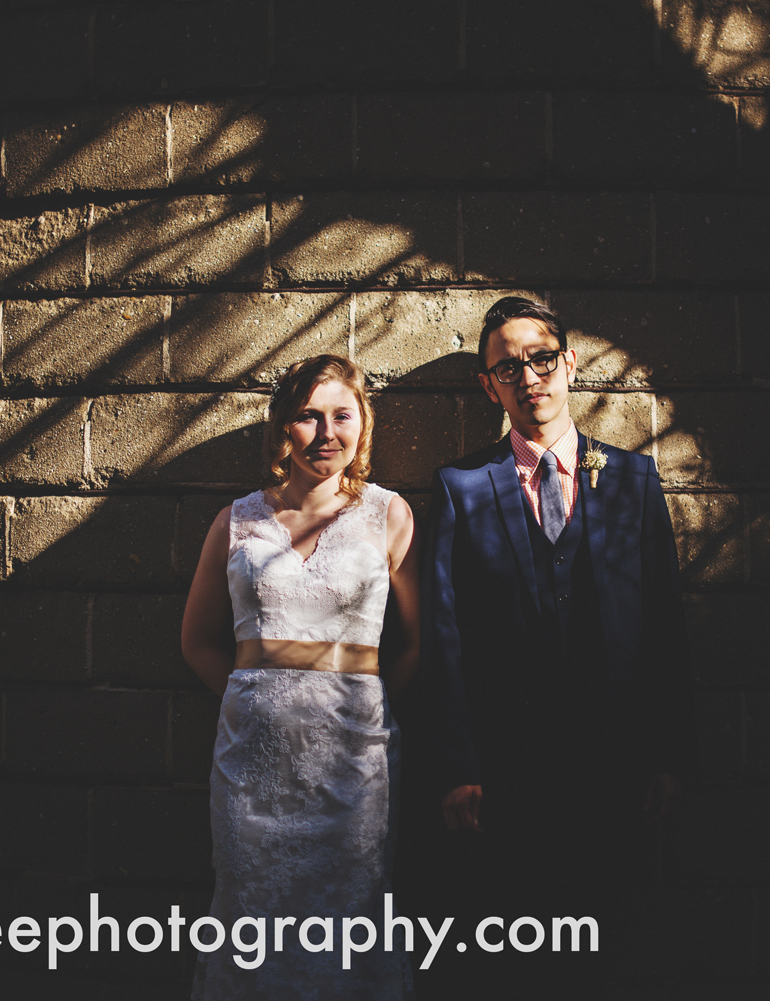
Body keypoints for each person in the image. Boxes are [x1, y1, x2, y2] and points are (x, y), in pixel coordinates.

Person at [413, 296, 690, 995]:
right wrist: (456, 763)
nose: (528, 376)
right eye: (508, 367)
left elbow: (664, 623)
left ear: (568, 362)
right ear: (489, 385)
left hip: (616, 759)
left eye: (540, 358)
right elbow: (442, 634)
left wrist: (666, 751)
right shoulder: (460, 486)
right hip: (508, 769)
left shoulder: (633, 478)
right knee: (518, 949)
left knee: (615, 941)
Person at [181, 355, 418, 999]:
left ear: (363, 425)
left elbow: (417, 642)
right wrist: (251, 699)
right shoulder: (237, 521)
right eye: (308, 417)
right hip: (251, 766)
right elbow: (197, 641)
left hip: (354, 758)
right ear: (282, 427)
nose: (327, 433)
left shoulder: (389, 514)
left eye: (343, 415)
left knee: (352, 910)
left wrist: (365, 708)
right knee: (250, 909)